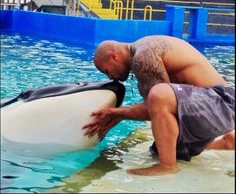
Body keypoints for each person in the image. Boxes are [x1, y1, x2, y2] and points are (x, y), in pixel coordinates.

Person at [82, 35, 235, 176]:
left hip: (222, 102)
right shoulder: (140, 49)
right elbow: (155, 111)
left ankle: (168, 167)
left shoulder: (143, 56)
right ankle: (224, 143)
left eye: (107, 71)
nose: (111, 77)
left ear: (113, 56)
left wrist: (117, 113)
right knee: (159, 150)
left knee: (158, 94)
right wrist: (119, 114)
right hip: (206, 108)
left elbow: (156, 103)